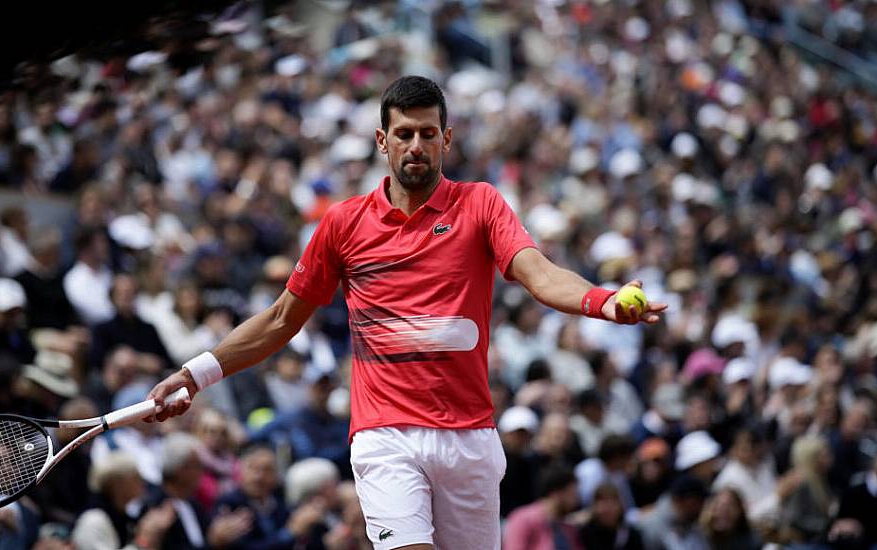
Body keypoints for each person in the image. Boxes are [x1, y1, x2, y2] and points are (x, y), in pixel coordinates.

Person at [147, 75, 666, 550]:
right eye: (403, 134)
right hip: (385, 435)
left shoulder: (481, 204)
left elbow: (542, 276)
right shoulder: (343, 224)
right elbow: (282, 319)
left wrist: (604, 301)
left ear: (446, 139)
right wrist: (196, 374)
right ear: (382, 140)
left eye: (426, 133)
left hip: (470, 438)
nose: (415, 145)